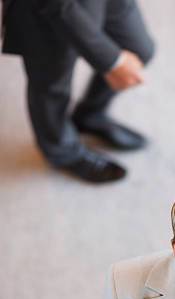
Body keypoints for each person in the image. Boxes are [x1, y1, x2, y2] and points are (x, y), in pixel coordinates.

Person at [1, 0, 155, 183]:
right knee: (51, 86)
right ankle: (62, 152)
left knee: (140, 49)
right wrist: (113, 62)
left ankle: (90, 115)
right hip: (44, 10)